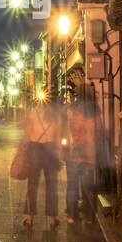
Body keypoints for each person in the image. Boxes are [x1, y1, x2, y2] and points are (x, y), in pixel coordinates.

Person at [22, 97, 63, 227]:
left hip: (35, 149)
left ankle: (29, 218)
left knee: (32, 184)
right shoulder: (56, 115)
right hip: (51, 150)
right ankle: (52, 219)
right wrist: (60, 155)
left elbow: (28, 132)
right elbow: (58, 137)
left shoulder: (34, 112)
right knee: (52, 185)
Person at [64, 97, 99, 224]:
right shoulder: (90, 121)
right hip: (88, 157)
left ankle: (72, 215)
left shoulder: (70, 121)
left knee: (72, 186)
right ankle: (89, 217)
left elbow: (66, 139)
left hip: (73, 157)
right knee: (88, 188)